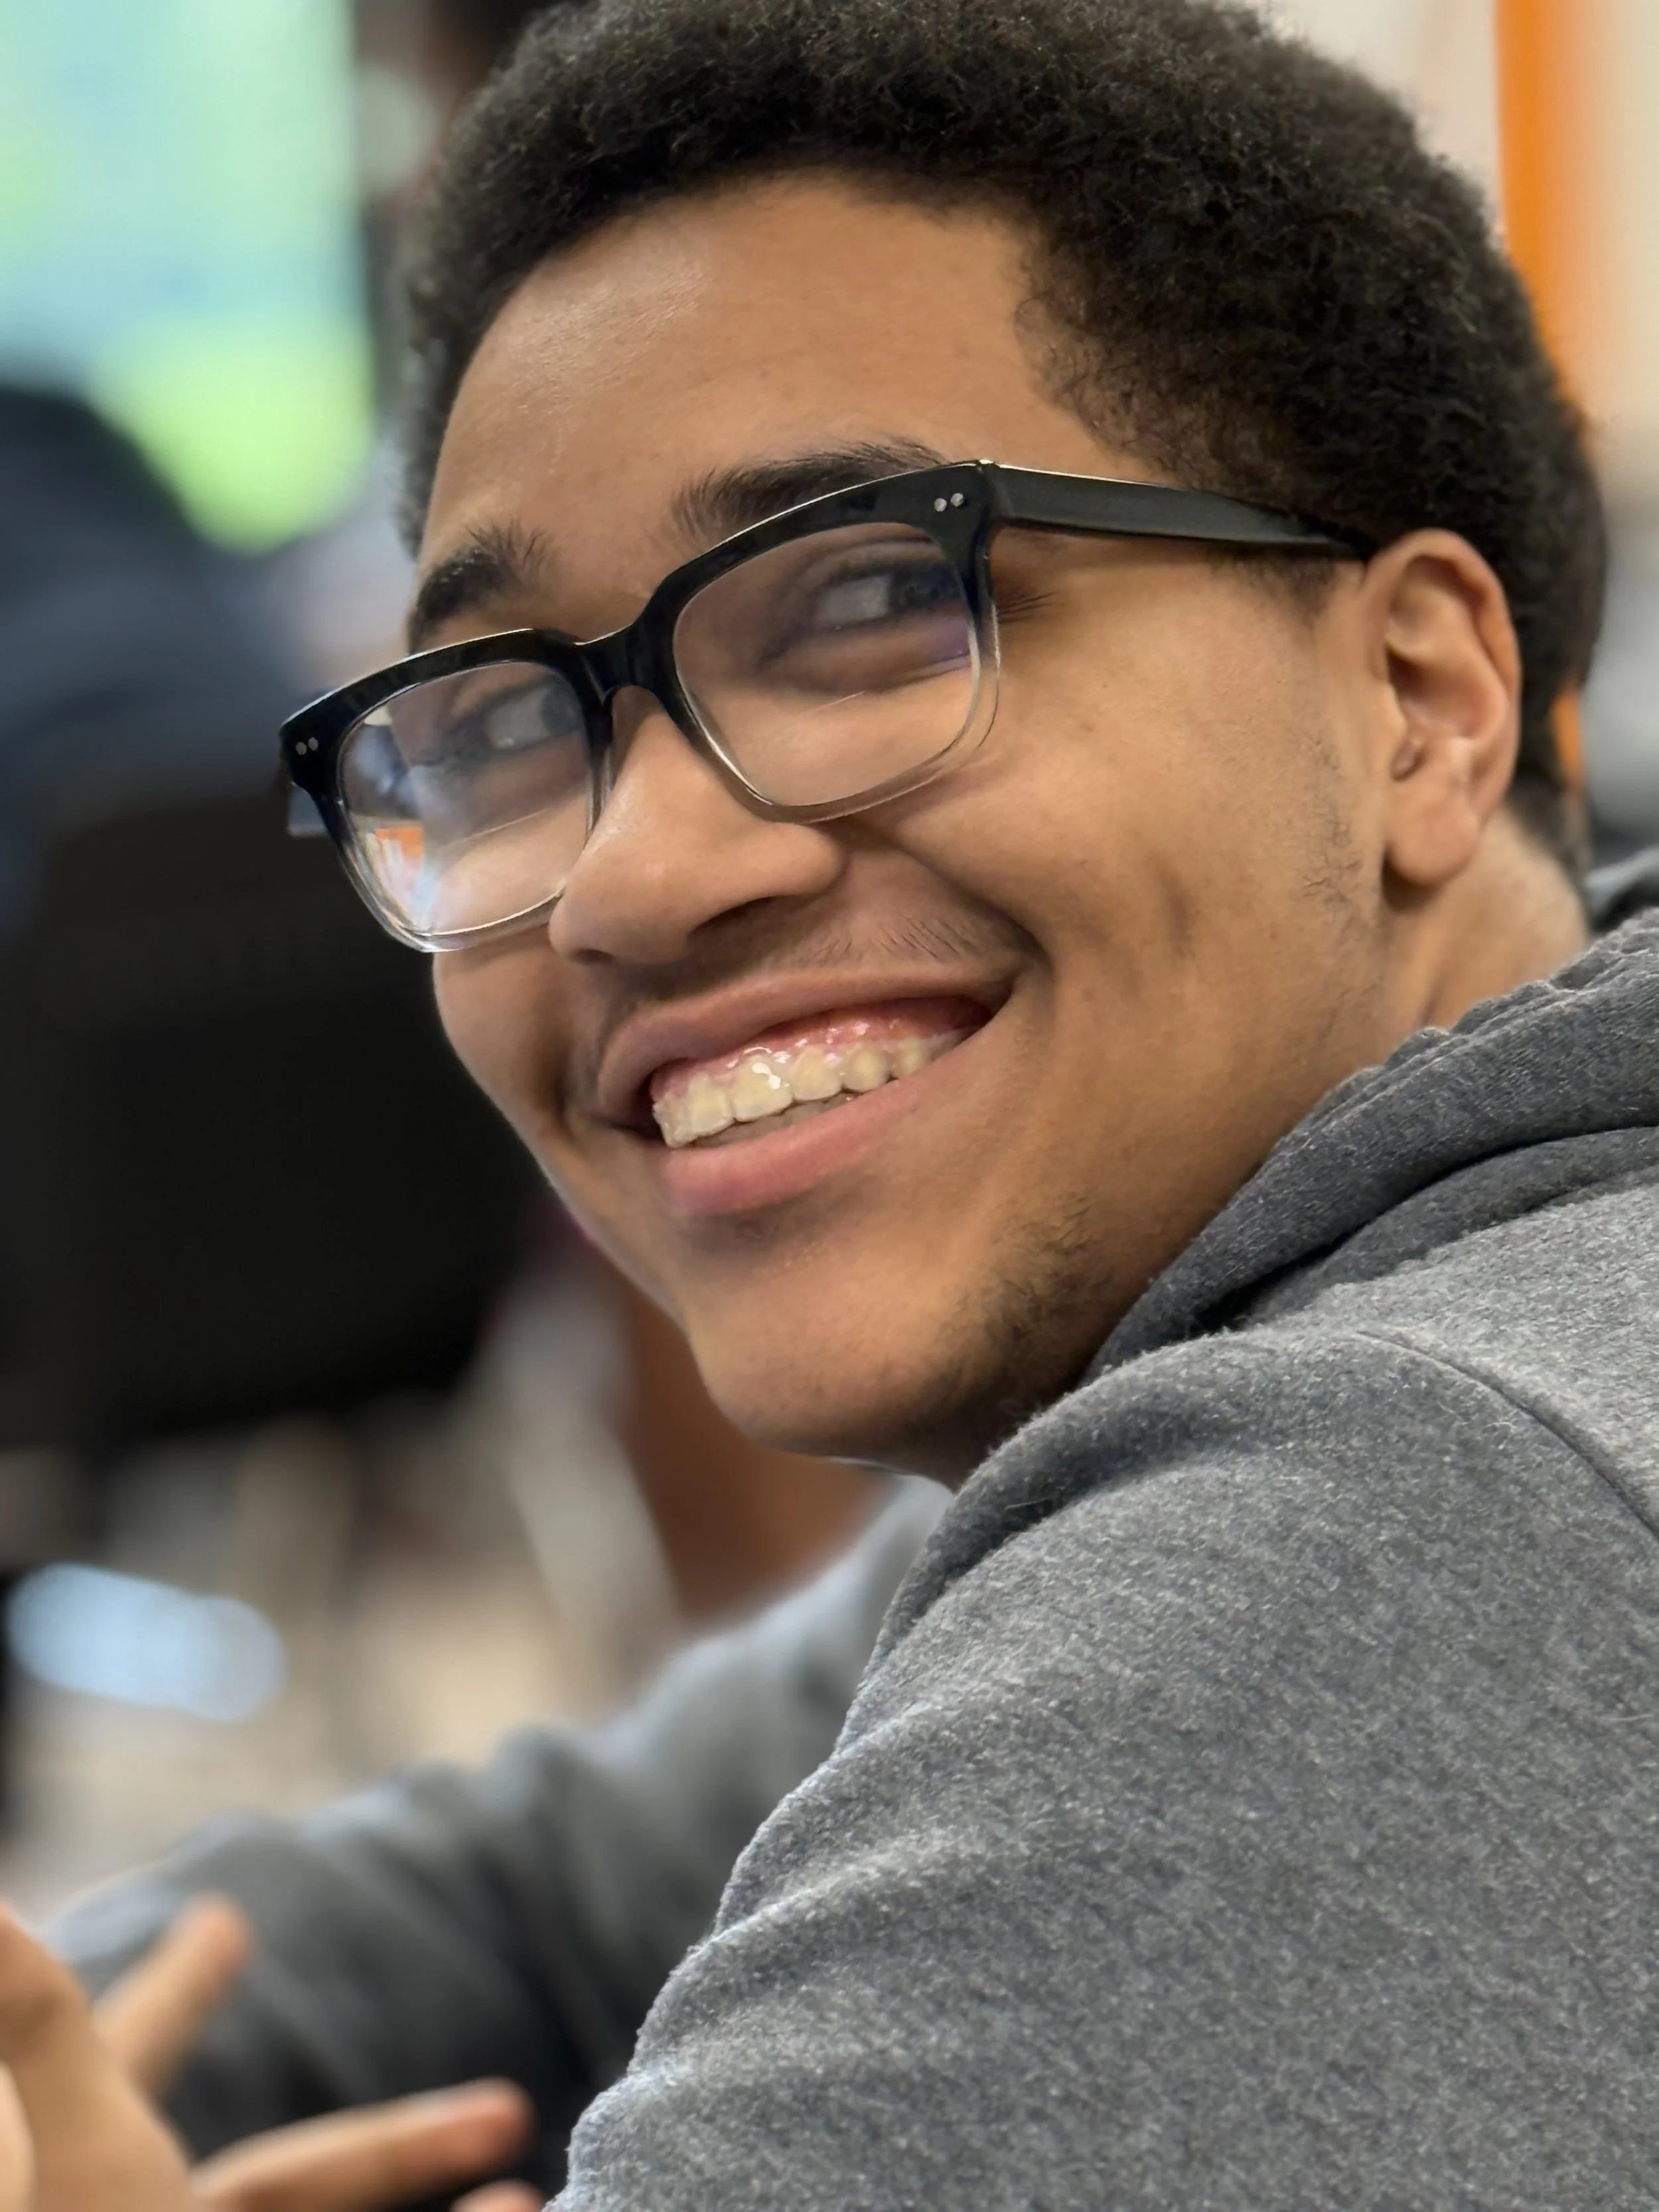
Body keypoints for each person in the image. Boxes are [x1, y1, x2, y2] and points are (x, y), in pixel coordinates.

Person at [4, 0, 1658, 2203]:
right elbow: (546, 1887)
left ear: (1416, 698)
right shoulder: (1325, 1336)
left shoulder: (1379, 1519)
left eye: (871, 606)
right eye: (501, 725)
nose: (627, 880)